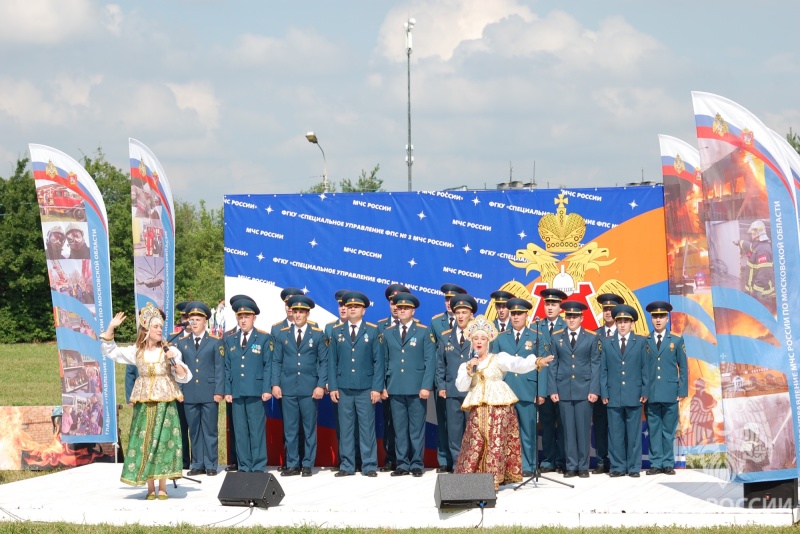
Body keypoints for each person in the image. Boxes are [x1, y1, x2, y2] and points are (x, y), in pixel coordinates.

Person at [99, 302, 191, 499]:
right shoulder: (137, 351)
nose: (159, 330)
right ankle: (150, 488)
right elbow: (111, 352)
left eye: (160, 327)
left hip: (164, 403)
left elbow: (184, 376)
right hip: (144, 403)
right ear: (146, 330)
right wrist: (111, 328)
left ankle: (163, 487)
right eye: (156, 327)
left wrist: (173, 361)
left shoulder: (169, 351)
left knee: (164, 441)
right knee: (146, 442)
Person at [454, 315, 552, 490]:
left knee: (495, 443)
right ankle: (470, 479)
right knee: (475, 441)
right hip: (478, 409)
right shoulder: (467, 365)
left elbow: (517, 364)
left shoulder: (497, 358)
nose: (479, 342)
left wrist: (536, 361)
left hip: (499, 409)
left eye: (483, 338)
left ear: (488, 341)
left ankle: (493, 479)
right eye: (476, 338)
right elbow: (461, 387)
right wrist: (470, 371)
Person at [328, 290, 384, 477]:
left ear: (363, 310)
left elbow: (379, 362)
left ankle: (368, 465)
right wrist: (333, 387)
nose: (352, 309)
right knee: (346, 428)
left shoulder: (373, 330)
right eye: (349, 306)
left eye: (356, 307)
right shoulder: (337, 332)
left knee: (367, 427)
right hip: (343, 387)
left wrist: (377, 388)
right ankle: (347, 465)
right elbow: (332, 362)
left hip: (365, 387)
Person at [272, 294, 328, 477]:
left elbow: (323, 362)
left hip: (309, 388)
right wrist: (275, 384)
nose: (297, 315)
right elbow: (276, 362)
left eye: (301, 312)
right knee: (290, 428)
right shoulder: (282, 334)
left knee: (309, 428)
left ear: (307, 314)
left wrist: (321, 385)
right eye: (295, 311)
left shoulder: (318, 335)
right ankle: (292, 463)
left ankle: (307, 464)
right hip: (288, 388)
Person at [491, 297, 545, 477]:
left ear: (526, 316)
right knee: (506, 431)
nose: (515, 317)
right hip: (506, 390)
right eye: (513, 314)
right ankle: (509, 465)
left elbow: (543, 367)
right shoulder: (500, 337)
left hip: (528, 390)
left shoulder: (536, 337)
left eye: (519, 314)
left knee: (528, 431)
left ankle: (529, 465)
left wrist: (541, 391)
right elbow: (495, 365)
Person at [547, 300, 601, 478]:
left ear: (581, 318)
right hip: (563, 390)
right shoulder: (556, 337)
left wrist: (594, 390)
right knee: (568, 430)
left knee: (583, 429)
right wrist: (553, 389)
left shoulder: (591, 337)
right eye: (568, 316)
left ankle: (583, 466)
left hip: (584, 390)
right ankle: (571, 465)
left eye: (575, 317)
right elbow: (553, 365)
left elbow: (595, 365)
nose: (571, 320)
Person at [177, 301, 225, 477]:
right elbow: (179, 369)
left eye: (198, 319)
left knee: (210, 429)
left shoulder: (215, 342)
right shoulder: (182, 343)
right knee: (194, 429)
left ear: (205, 322)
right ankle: (197, 463)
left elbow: (219, 368)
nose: (194, 322)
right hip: (190, 392)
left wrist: (219, 391)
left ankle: (211, 463)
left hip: (209, 392)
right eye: (192, 319)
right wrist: (180, 390)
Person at [600, 304, 649, 478]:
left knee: (634, 433)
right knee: (615, 432)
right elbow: (603, 369)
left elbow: (645, 368)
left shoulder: (641, 342)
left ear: (632, 324)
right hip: (613, 395)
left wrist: (645, 391)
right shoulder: (607, 342)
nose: (622, 325)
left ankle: (634, 467)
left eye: (626, 321)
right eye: (619, 321)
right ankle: (618, 466)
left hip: (634, 394)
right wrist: (604, 393)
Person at [224, 297, 271, 473]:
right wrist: (227, 390)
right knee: (241, 431)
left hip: (256, 391)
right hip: (237, 392)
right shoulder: (231, 339)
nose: (243, 320)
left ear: (254, 318)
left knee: (256, 430)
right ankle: (244, 465)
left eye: (247, 317)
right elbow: (227, 367)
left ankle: (258, 465)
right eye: (240, 317)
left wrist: (267, 389)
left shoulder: (264, 338)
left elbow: (268, 366)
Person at [644, 300, 687, 475]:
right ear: (651, 319)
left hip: (670, 392)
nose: (658, 320)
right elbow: (642, 368)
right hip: (652, 392)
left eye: (662, 316)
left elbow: (683, 366)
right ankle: (656, 463)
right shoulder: (645, 340)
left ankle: (668, 463)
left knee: (668, 430)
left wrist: (682, 390)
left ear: (667, 319)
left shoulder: (676, 339)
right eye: (655, 317)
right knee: (654, 429)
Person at [435, 293, 477, 472]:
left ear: (471, 315)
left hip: (472, 392)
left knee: (472, 431)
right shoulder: (446, 337)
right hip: (452, 392)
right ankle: (457, 464)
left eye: (464, 312)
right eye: (457, 312)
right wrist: (441, 386)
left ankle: (471, 464)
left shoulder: (478, 337)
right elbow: (440, 366)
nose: (460, 316)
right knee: (453, 431)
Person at [429, 283, 466, 473]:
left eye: (454, 300)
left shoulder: (477, 331)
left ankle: (468, 462)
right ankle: (448, 461)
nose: (450, 303)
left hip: (469, 389)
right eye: (446, 299)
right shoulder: (437, 324)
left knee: (468, 427)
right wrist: (440, 384)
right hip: (448, 386)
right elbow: (437, 359)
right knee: (447, 425)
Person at [376, 283, 410, 472]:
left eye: (400, 302)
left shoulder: (418, 326)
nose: (396, 306)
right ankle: (391, 457)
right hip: (388, 385)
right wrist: (380, 385)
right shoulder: (380, 326)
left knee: (408, 425)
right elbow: (378, 359)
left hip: (408, 385)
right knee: (389, 422)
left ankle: (409, 459)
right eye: (392, 302)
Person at [535, 288, 568, 473]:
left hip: (563, 383)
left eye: (553, 304)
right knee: (546, 424)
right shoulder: (536, 326)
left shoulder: (567, 325)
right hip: (543, 383)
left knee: (563, 425)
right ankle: (548, 460)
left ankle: (562, 461)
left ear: (560, 307)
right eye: (547, 304)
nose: (549, 307)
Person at [592, 293, 624, 474]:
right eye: (605, 309)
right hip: (599, 389)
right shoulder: (595, 334)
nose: (608, 312)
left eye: (611, 309)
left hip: (619, 388)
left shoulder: (624, 334)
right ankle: (601, 460)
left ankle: (619, 461)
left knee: (618, 427)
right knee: (601, 425)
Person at [734, 220, 775, 308]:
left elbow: (764, 274)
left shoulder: (763, 250)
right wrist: (739, 242)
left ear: (756, 234)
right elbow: (749, 246)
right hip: (752, 291)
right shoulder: (758, 245)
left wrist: (755, 293)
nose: (751, 235)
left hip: (761, 295)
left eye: (752, 233)